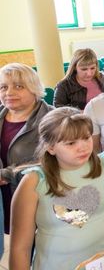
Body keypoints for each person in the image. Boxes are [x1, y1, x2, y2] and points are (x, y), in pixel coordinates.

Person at [10, 107, 104, 270]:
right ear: (51, 147)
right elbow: (20, 248)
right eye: (71, 143)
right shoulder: (33, 182)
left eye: (86, 138)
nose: (83, 147)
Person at [0, 63, 54, 235]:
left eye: (18, 86)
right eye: (3, 87)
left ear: (34, 88)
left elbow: (54, 160)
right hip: (4, 199)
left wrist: (7, 174)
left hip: (37, 199)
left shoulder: (52, 118)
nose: (9, 92)